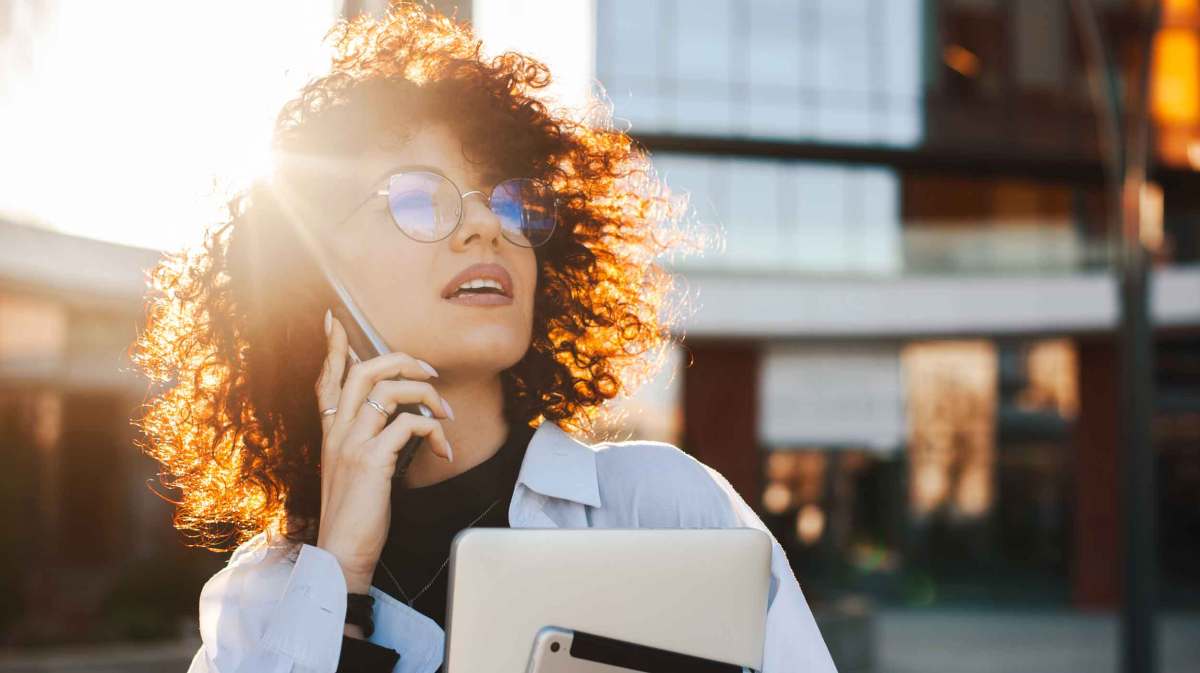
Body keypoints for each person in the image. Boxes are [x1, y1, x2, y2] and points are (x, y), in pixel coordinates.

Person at [131, 2, 838, 672]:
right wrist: (339, 575)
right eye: (416, 197)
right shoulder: (258, 597)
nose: (487, 227)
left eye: (511, 201)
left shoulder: (665, 505)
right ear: (312, 280)